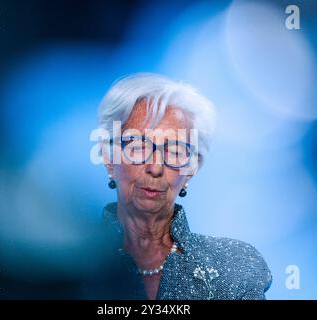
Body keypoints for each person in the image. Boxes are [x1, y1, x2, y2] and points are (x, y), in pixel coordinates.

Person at [92, 73, 272, 300]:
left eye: (174, 151)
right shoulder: (68, 265)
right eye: (137, 146)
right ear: (109, 158)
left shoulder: (234, 268)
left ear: (191, 168)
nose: (155, 167)